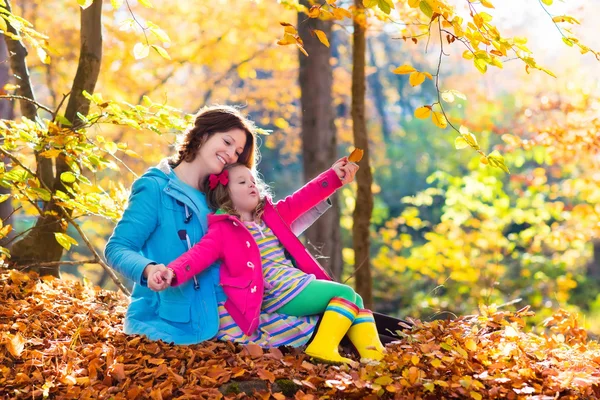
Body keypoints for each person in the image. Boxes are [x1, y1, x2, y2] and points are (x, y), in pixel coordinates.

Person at [148, 162, 386, 364]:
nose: (251, 184)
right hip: (277, 289)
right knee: (344, 293)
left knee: (355, 299)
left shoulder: (272, 216)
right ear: (225, 194)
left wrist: (333, 176)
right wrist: (172, 272)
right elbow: (198, 255)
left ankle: (375, 357)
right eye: (241, 182)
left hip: (295, 281)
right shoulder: (222, 230)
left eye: (252, 180)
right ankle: (323, 347)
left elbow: (304, 197)